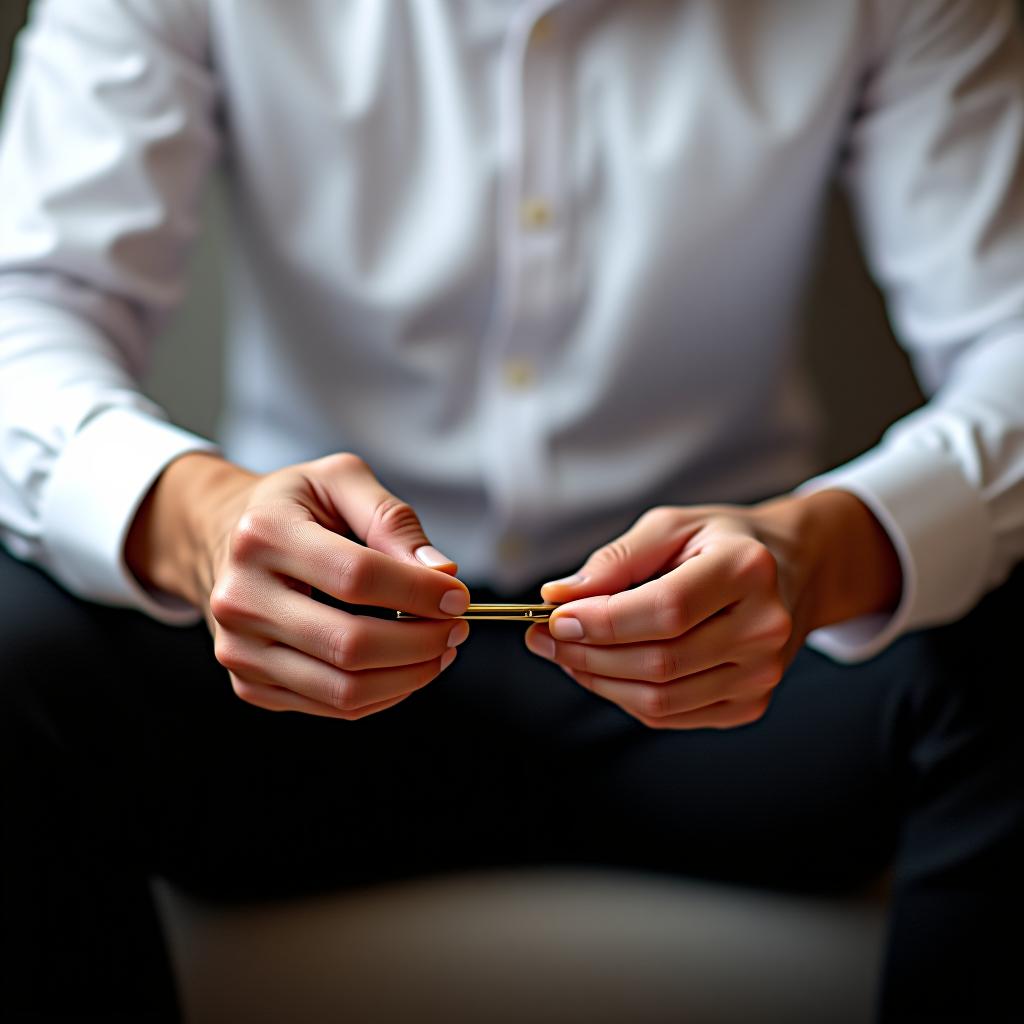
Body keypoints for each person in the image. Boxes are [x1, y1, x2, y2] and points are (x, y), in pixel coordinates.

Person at [1, 0, 1022, 1020]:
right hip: (291, 685)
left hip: (741, 684)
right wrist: (208, 523)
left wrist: (819, 558)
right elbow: (28, 307)